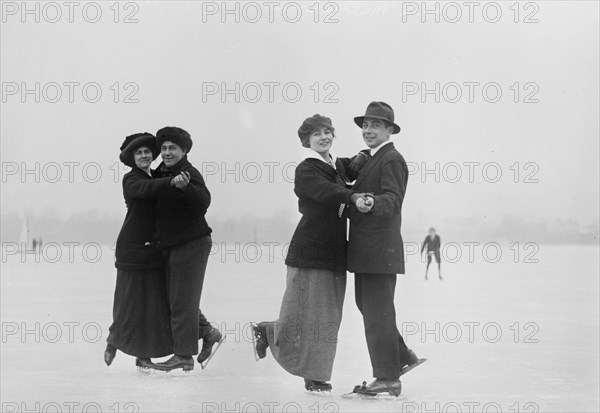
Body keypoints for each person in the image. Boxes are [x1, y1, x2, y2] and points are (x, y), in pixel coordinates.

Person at [253, 115, 371, 393]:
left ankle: (270, 331)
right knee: (313, 316)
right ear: (306, 141)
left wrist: (363, 157)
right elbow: (326, 190)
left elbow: (348, 168)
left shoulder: (333, 164)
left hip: (333, 251)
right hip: (310, 250)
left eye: (328, 132)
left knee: (327, 317)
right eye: (316, 134)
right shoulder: (307, 169)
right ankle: (315, 376)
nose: (324, 137)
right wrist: (351, 195)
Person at [344, 101, 424, 397]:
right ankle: (401, 356)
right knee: (369, 308)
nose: (368, 130)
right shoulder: (372, 158)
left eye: (375, 125)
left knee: (377, 313)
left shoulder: (391, 159)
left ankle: (387, 376)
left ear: (390, 130)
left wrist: (371, 202)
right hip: (369, 251)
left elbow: (393, 199)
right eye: (365, 125)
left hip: (379, 251)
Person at [150, 127, 223, 372]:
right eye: (164, 148)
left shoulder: (188, 173)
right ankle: (208, 332)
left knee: (181, 301)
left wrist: (186, 188)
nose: (167, 152)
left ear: (184, 151)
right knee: (176, 298)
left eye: (173, 148)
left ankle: (183, 356)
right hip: (172, 245)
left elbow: (203, 202)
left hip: (192, 243)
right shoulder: (160, 172)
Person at [105, 132, 177, 369]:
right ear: (132, 158)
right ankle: (113, 341)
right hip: (131, 247)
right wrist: (171, 182)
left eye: (147, 152)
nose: (144, 156)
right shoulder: (132, 179)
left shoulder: (154, 176)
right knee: (129, 301)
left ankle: (142, 355)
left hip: (151, 248)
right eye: (139, 153)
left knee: (150, 303)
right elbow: (147, 189)